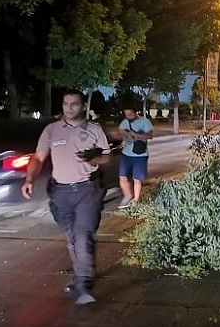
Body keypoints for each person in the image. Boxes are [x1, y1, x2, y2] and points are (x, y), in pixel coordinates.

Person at [21, 90, 112, 305]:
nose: (69, 107)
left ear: (82, 107)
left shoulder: (94, 130)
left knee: (83, 235)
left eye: (74, 104)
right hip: (60, 193)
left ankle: (82, 283)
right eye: (65, 103)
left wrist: (93, 157)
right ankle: (81, 277)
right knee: (72, 237)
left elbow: (106, 157)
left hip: (87, 190)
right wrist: (29, 179)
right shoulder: (51, 130)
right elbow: (38, 157)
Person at [117, 106, 153, 208]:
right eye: (126, 114)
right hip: (126, 154)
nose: (128, 116)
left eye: (130, 114)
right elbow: (118, 134)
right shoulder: (125, 122)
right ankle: (127, 196)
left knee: (137, 179)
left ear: (135, 112)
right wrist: (121, 133)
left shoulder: (144, 122)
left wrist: (135, 134)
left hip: (140, 155)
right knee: (122, 176)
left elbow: (150, 136)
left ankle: (136, 201)